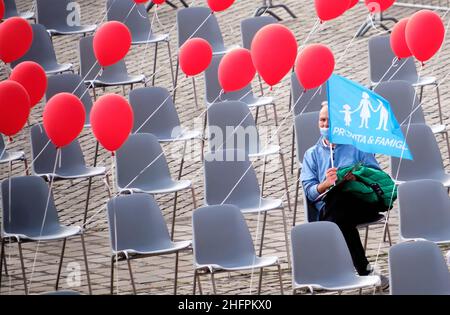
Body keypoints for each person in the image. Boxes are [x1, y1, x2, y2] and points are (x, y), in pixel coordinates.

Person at [300, 102, 388, 287]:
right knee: (337, 202)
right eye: (322, 120)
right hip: (333, 207)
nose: (325, 125)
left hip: (361, 203)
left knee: (339, 203)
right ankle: (364, 269)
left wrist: (355, 177)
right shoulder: (312, 155)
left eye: (329, 121)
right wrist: (326, 184)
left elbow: (376, 175)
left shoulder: (357, 147)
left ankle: (330, 271)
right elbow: (309, 191)